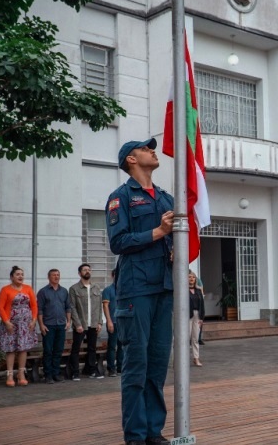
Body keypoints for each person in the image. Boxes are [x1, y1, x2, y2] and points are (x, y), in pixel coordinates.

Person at [106, 138, 175, 445]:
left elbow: (172, 239)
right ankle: (135, 437)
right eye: (146, 149)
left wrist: (172, 247)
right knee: (136, 366)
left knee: (158, 364)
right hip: (135, 290)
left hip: (164, 287)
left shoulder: (165, 197)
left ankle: (153, 432)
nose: (153, 151)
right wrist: (158, 232)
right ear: (131, 160)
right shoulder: (121, 197)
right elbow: (118, 242)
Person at [0, 266, 38, 387]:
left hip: (26, 325)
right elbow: (0, 307)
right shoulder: (5, 290)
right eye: (17, 274)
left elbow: (34, 306)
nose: (20, 276)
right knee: (10, 349)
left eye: (22, 274)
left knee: (23, 348)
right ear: (11, 277)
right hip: (10, 325)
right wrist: (7, 322)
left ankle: (21, 374)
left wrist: (33, 320)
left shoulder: (28, 288)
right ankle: (9, 375)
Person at [69, 263, 104, 380]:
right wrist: (77, 324)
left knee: (92, 348)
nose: (87, 271)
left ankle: (92, 371)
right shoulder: (74, 289)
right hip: (81, 324)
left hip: (93, 323)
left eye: (89, 270)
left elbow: (99, 306)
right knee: (76, 348)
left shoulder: (96, 288)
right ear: (80, 273)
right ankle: (75, 372)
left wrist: (100, 322)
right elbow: (72, 307)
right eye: (84, 270)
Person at [37, 269, 71, 384]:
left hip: (61, 324)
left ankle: (56, 374)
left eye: (58, 275)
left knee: (58, 350)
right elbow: (39, 310)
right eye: (54, 275)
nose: (56, 277)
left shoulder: (64, 291)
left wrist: (68, 321)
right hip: (48, 325)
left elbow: (68, 307)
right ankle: (48, 375)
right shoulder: (43, 292)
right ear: (49, 277)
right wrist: (41, 325)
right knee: (48, 351)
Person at [102, 269, 123, 377]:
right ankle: (111, 368)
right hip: (113, 322)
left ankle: (121, 367)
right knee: (112, 346)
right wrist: (109, 321)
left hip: (123, 322)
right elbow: (105, 306)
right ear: (112, 276)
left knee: (122, 346)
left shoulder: (124, 289)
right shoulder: (108, 290)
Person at [188, 271, 205, 367]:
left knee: (195, 338)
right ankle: (182, 359)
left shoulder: (198, 291)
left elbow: (202, 305)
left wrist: (202, 318)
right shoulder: (183, 291)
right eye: (189, 277)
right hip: (187, 316)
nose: (191, 279)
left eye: (193, 277)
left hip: (197, 315)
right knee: (185, 338)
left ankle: (196, 358)